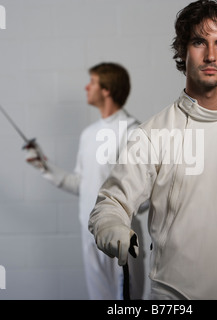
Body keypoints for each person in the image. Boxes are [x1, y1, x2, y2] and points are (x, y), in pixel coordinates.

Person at [88, 0, 217, 300]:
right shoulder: (153, 134)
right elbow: (110, 202)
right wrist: (111, 226)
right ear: (183, 50)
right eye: (200, 42)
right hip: (171, 298)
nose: (211, 55)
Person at [25, 62, 147, 300]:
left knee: (126, 304)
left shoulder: (133, 132)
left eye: (92, 82)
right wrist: (44, 165)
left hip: (119, 238)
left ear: (106, 90)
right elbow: (83, 184)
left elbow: (144, 196)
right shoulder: (89, 134)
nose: (86, 87)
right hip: (89, 234)